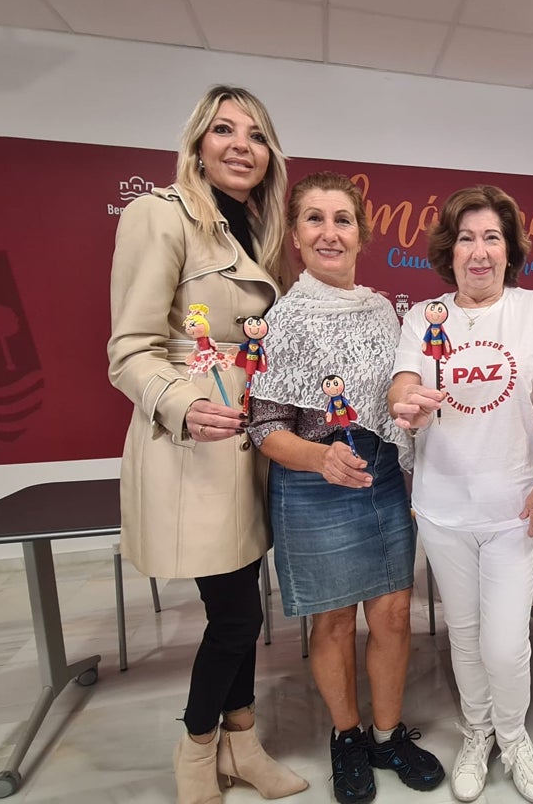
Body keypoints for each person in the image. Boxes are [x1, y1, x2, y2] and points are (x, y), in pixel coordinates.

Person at [107, 85, 307, 804]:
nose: (240, 145)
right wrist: (185, 406)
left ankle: (242, 745)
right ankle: (198, 750)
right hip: (192, 443)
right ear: (197, 142)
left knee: (248, 603)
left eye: (255, 134)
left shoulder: (258, 232)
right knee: (238, 616)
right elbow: (129, 350)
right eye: (223, 130)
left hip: (249, 443)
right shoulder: (158, 216)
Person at [246, 172, 445, 804]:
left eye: (342, 220)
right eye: (315, 219)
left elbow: (392, 396)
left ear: (361, 233)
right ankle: (347, 736)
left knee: (390, 614)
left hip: (381, 474)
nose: (330, 233)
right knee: (332, 622)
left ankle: (388, 735)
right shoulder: (281, 318)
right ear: (296, 237)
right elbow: (264, 427)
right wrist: (318, 458)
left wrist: (412, 407)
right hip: (312, 483)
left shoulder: (384, 310)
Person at [388, 185, 533, 804]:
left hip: (513, 510)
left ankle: (514, 733)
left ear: (509, 250)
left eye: (492, 237)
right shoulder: (425, 316)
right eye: (467, 238)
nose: (479, 251)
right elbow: (404, 383)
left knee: (505, 640)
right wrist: (406, 404)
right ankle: (477, 732)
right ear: (450, 251)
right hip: (443, 508)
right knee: (466, 633)